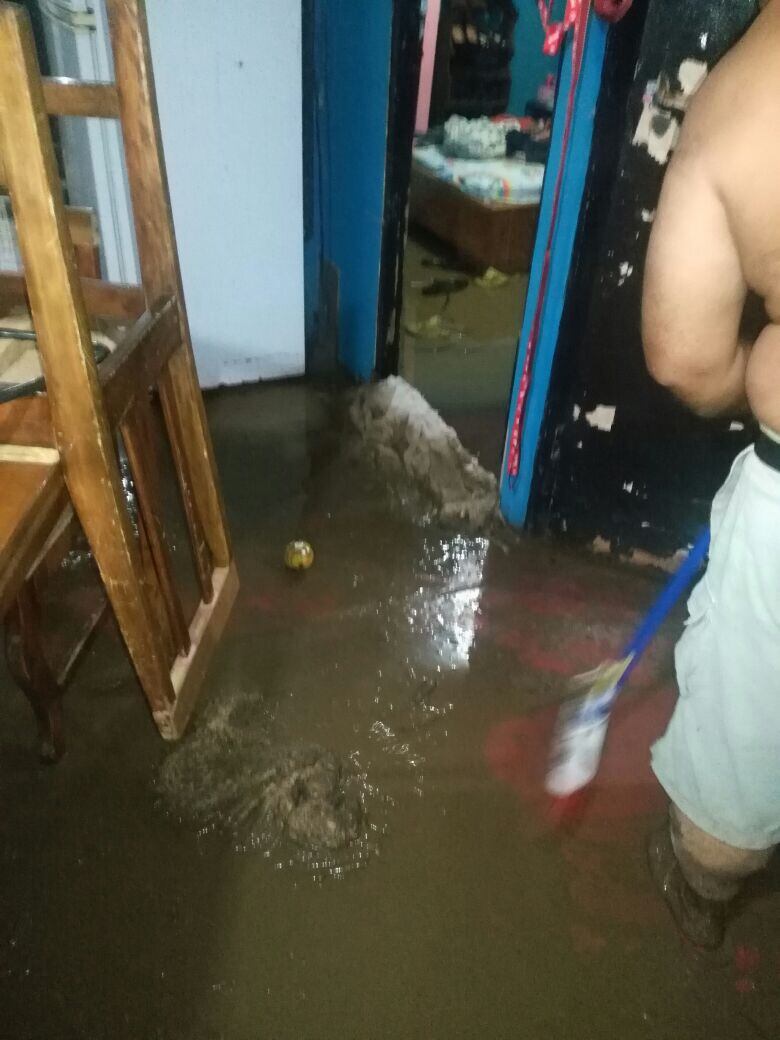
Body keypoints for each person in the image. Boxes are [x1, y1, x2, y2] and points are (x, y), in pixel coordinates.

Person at [641, 0, 780, 949]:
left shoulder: (750, 93)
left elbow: (685, 357)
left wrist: (751, 385)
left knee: (735, 776)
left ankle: (701, 891)